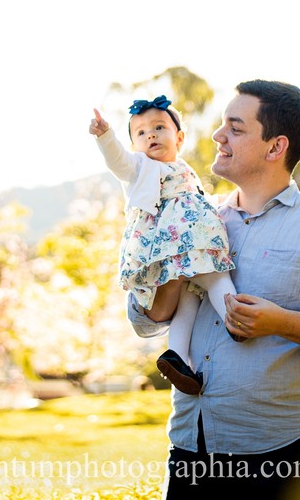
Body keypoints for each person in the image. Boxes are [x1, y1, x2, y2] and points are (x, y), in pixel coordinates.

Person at [127, 80, 300, 499]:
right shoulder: (193, 216)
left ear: (275, 146)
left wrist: (282, 323)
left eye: (236, 127)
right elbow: (143, 319)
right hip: (192, 448)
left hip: (289, 457)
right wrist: (176, 267)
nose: (217, 136)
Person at [90, 95, 240, 395]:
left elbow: (198, 201)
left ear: (179, 138)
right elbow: (118, 161)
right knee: (217, 279)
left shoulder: (185, 169)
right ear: (135, 144)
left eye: (159, 127)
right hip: (173, 247)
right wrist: (106, 136)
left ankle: (178, 357)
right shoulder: (140, 166)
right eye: (141, 133)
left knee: (190, 298)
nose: (151, 136)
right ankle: (235, 320)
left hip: (183, 246)